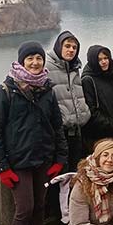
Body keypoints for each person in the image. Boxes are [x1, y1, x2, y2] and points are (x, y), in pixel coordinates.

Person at [0, 41, 68, 225]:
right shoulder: (5, 91)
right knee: (25, 209)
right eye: (30, 58)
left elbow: (57, 126)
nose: (35, 62)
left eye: (39, 58)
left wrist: (59, 158)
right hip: (18, 162)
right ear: (21, 61)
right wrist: (2, 168)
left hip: (42, 159)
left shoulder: (47, 90)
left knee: (40, 207)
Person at [46, 31, 90, 171]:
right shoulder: (47, 67)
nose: (71, 50)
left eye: (74, 47)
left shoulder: (73, 67)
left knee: (75, 172)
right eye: (67, 46)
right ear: (59, 47)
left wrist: (85, 113)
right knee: (60, 173)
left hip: (76, 130)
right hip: (59, 132)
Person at [81, 45, 113, 152]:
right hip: (100, 134)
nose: (104, 62)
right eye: (99, 59)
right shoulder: (88, 79)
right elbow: (90, 109)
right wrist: (110, 124)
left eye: (106, 58)